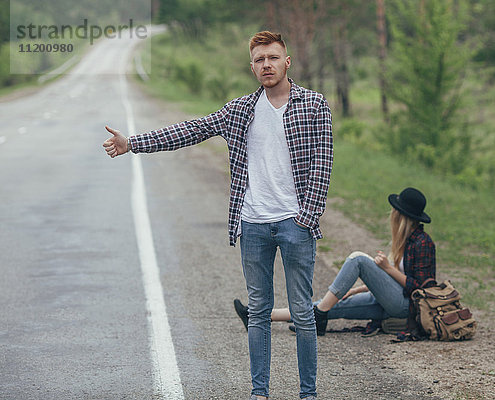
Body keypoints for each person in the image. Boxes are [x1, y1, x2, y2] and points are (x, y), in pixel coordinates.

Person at [103, 31, 333, 400]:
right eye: (259, 60)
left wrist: (308, 216)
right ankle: (260, 393)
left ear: (287, 62)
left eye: (273, 58)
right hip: (253, 222)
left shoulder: (314, 106)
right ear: (252, 67)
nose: (266, 65)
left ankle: (308, 394)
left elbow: (323, 163)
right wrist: (133, 143)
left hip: (295, 223)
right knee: (258, 312)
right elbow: (190, 130)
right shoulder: (240, 110)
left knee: (303, 313)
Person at [235, 187, 435, 338]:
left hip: (404, 306)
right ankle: (256, 316)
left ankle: (319, 315)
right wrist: (353, 291)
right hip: (387, 300)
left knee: (358, 259)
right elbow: (385, 283)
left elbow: (421, 288)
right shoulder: (405, 240)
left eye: (394, 211)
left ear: (400, 216)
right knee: (332, 304)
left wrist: (388, 268)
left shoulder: (422, 243)